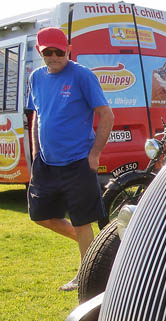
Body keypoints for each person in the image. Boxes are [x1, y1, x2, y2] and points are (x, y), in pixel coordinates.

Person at [26, 27, 114, 291]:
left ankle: (87, 278)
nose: (54, 57)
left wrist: (95, 154)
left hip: (78, 161)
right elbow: (37, 115)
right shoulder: (36, 77)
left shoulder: (82, 75)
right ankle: (98, 249)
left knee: (82, 221)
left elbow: (107, 115)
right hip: (46, 163)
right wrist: (35, 152)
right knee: (40, 216)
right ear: (39, 51)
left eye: (59, 51)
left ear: (69, 49)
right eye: (48, 52)